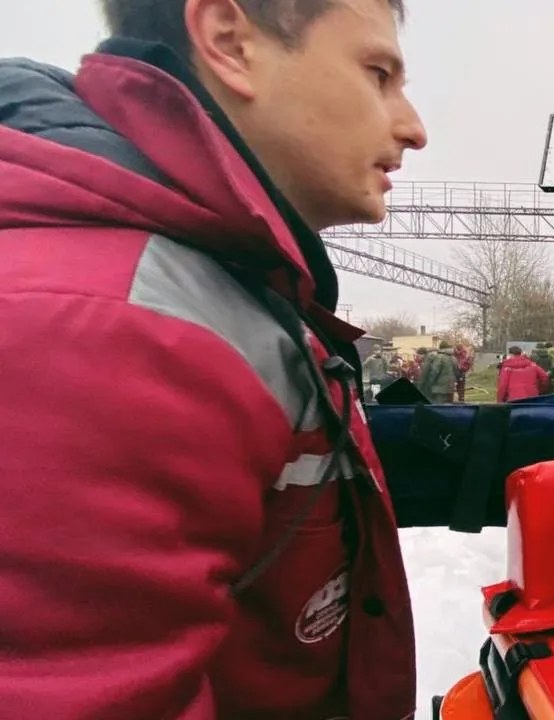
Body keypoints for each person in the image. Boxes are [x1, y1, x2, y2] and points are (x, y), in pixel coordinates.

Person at [0, 0, 426, 716]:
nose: (413, 126)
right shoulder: (115, 331)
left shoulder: (215, 278)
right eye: (378, 73)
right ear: (229, 41)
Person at [417, 340, 460, 404]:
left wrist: (429, 383)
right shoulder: (453, 358)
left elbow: (434, 372)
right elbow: (457, 372)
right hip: (450, 387)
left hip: (439, 387)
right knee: (447, 405)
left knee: (438, 405)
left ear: (440, 348)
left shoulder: (439, 357)